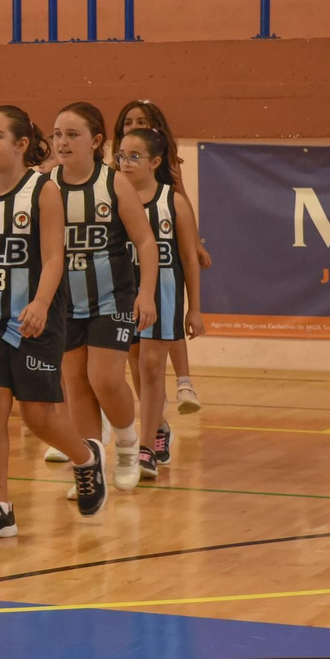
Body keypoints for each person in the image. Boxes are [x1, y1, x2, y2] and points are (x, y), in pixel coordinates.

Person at [0, 106, 107, 542]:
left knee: (38, 416)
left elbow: (55, 256)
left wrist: (41, 302)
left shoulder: (42, 191)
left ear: (21, 145)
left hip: (36, 319)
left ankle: (84, 457)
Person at [51, 102, 158, 494]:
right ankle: (90, 463)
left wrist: (146, 294)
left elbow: (145, 241)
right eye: (57, 134)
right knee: (75, 381)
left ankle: (129, 446)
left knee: (105, 377)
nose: (62, 141)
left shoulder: (113, 183)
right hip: (64, 302)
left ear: (96, 141)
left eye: (72, 134)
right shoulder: (47, 186)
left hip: (112, 297)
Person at [114, 127, 204, 480]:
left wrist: (194, 308)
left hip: (163, 295)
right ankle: (160, 426)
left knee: (152, 367)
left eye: (134, 157)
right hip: (123, 295)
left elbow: (188, 257)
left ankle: (147, 448)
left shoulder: (173, 202)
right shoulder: (114, 199)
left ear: (154, 161)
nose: (125, 163)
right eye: (121, 155)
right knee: (136, 369)